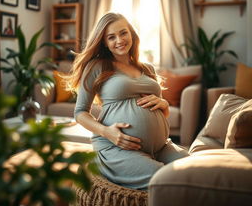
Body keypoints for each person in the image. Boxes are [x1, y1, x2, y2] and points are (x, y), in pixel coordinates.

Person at [66, 12, 189, 190]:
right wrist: (107, 132)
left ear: (131, 33)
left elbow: (162, 112)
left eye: (123, 33)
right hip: (117, 148)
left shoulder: (147, 68)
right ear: (104, 43)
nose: (119, 40)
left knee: (195, 171)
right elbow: (80, 113)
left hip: (161, 146)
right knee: (167, 181)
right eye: (111, 37)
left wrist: (165, 105)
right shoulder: (97, 66)